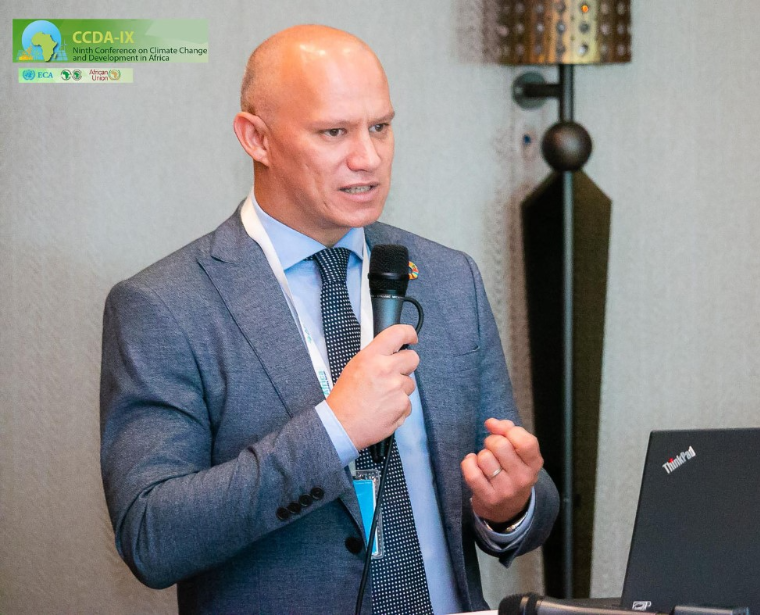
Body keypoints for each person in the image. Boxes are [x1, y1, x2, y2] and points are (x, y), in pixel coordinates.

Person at [100, 25, 558, 614]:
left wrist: (510, 507)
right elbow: (151, 536)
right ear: (256, 139)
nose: (368, 158)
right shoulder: (165, 305)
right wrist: (334, 430)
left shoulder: (449, 279)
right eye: (333, 132)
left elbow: (520, 489)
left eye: (380, 127)